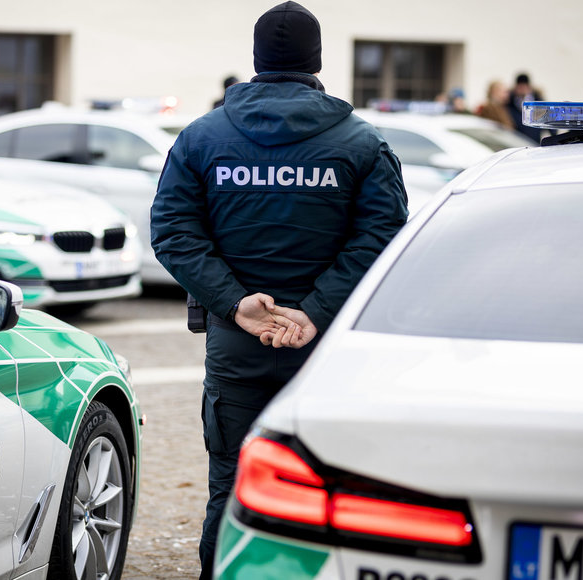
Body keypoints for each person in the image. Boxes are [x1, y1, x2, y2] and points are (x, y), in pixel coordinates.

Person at [149, 3, 408, 577]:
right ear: (316, 61)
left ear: (258, 60)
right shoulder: (360, 142)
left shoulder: (201, 138)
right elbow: (384, 234)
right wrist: (313, 312)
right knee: (331, 492)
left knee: (232, 489)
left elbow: (172, 232)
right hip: (326, 349)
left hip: (238, 343)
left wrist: (235, 303)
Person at [507, 72, 545, 142]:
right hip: (518, 139)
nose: (522, 89)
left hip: (534, 139)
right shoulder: (510, 101)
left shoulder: (538, 100)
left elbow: (545, 118)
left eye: (524, 87)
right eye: (520, 87)